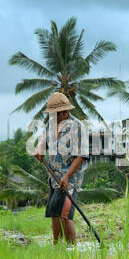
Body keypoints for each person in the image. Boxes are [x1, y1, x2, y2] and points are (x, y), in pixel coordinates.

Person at [34, 92, 89, 245]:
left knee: (65, 214)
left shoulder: (77, 127)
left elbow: (81, 156)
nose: (53, 117)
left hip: (69, 178)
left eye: (55, 114)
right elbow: (43, 139)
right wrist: (39, 148)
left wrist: (67, 176)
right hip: (54, 177)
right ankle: (57, 247)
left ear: (65, 112)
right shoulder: (51, 125)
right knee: (54, 212)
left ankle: (72, 250)